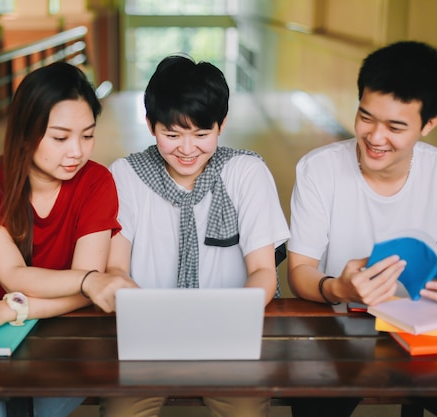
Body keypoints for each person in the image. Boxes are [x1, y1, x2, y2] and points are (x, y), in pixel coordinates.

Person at [287, 40, 437, 417]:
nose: (375, 138)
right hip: (344, 333)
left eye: (395, 126)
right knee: (312, 397)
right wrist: (338, 287)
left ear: (429, 124)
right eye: (366, 117)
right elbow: (299, 270)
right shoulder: (319, 169)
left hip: (431, 332)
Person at [94, 54, 290, 417]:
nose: (187, 149)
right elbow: (116, 269)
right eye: (172, 134)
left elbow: (264, 272)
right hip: (148, 338)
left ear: (222, 125)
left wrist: (228, 318)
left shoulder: (246, 172)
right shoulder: (126, 175)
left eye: (202, 134)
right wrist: (143, 312)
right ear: (151, 124)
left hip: (230, 337)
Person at [0, 61, 136, 417]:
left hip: (64, 326)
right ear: (24, 132)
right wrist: (87, 283)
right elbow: (15, 275)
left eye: (88, 135)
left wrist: (10, 308)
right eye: (61, 137)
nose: (77, 151)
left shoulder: (97, 182)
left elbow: (86, 289)